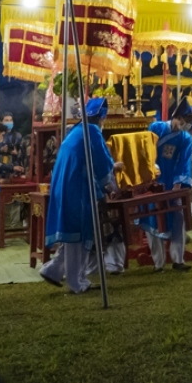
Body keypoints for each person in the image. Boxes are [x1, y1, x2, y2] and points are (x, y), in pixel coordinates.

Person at [40, 97, 121, 293]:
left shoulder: (75, 131)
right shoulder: (91, 131)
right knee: (78, 234)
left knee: (71, 233)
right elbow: (101, 162)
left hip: (66, 185)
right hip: (76, 188)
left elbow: (88, 163)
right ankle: (77, 283)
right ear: (101, 117)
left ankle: (53, 270)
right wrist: (111, 186)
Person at [144, 97, 192, 272]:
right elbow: (146, 151)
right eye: (183, 120)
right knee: (151, 218)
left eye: (187, 122)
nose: (184, 124)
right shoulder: (156, 127)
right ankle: (158, 263)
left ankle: (178, 259)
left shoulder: (185, 138)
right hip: (153, 179)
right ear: (176, 116)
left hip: (172, 181)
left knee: (177, 218)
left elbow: (184, 161)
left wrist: (179, 183)